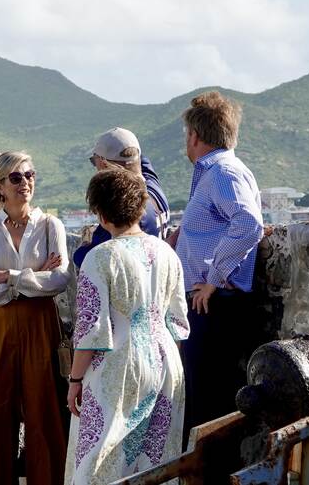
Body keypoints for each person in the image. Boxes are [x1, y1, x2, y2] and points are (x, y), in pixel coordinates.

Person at [65, 168, 189, 484]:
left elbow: (92, 330)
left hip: (116, 369)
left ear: (102, 214)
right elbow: (176, 323)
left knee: (98, 466)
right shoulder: (167, 253)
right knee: (157, 465)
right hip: (165, 365)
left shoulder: (99, 257)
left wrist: (75, 379)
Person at [0, 151, 71, 485]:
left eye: (30, 175)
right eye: (15, 177)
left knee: (46, 416)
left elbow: (60, 279)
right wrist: (32, 276)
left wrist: (9, 277)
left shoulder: (50, 225)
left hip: (40, 324)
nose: (25, 182)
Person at [171, 91, 264, 440]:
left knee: (208, 403)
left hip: (213, 301)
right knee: (203, 399)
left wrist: (213, 278)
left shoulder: (223, 172)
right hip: (208, 300)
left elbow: (249, 224)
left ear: (194, 136)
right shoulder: (217, 172)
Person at [73, 127, 170, 267]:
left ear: (103, 163)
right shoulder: (153, 186)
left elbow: (84, 258)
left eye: (94, 162)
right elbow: (138, 159)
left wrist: (83, 247)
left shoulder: (126, 211)